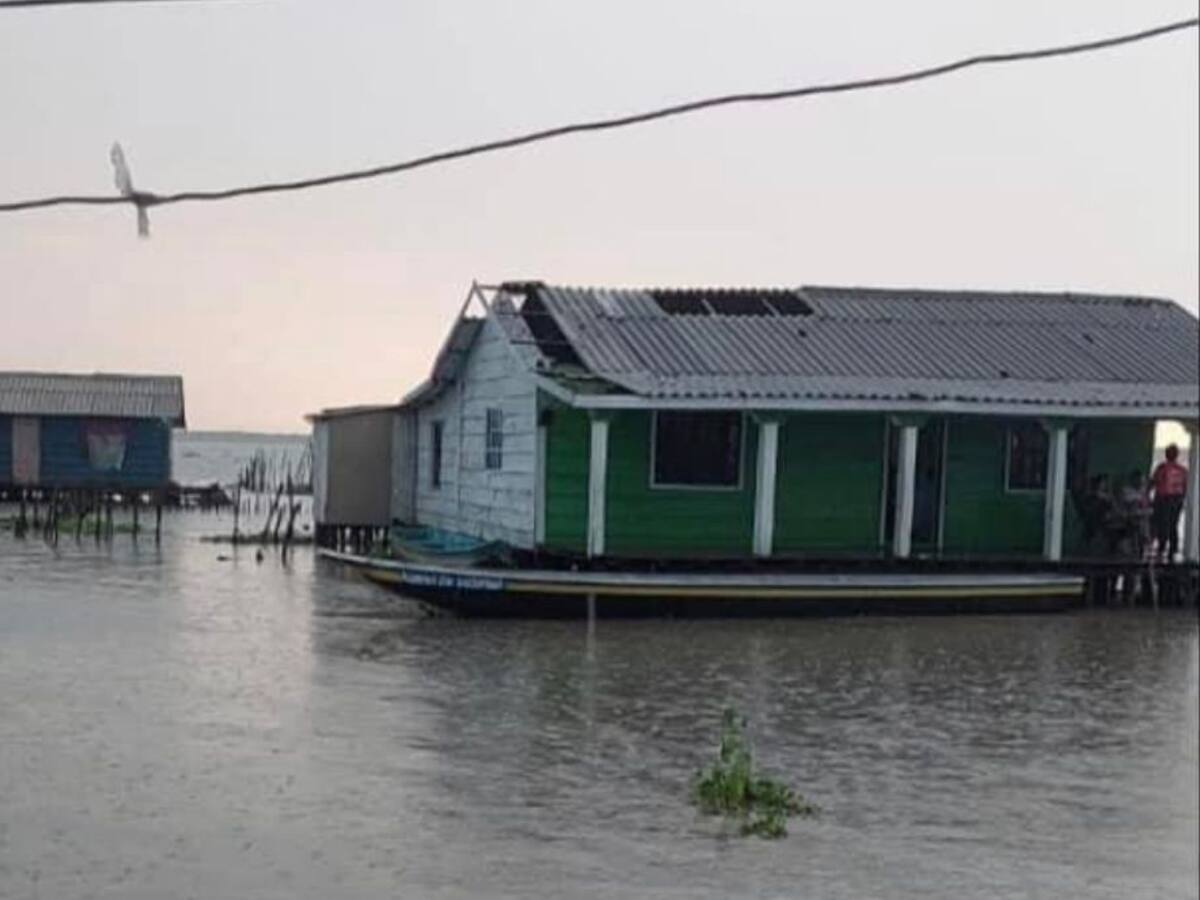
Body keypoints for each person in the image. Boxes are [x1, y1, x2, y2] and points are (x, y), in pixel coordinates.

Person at [1150, 444, 1189, 563]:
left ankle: (1162, 549)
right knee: (1173, 525)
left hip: (1164, 499)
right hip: (1176, 500)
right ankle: (1172, 550)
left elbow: (1154, 482)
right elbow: (1185, 487)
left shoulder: (1162, 468)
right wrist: (1182, 499)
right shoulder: (1182, 470)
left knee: (1163, 525)